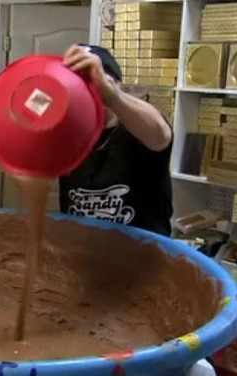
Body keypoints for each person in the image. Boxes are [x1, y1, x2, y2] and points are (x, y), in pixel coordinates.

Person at [59, 44, 174, 236]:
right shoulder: (70, 136)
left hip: (143, 258)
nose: (93, 89)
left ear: (117, 82)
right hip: (84, 255)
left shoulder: (136, 128)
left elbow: (160, 134)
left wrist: (111, 95)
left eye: (101, 78)